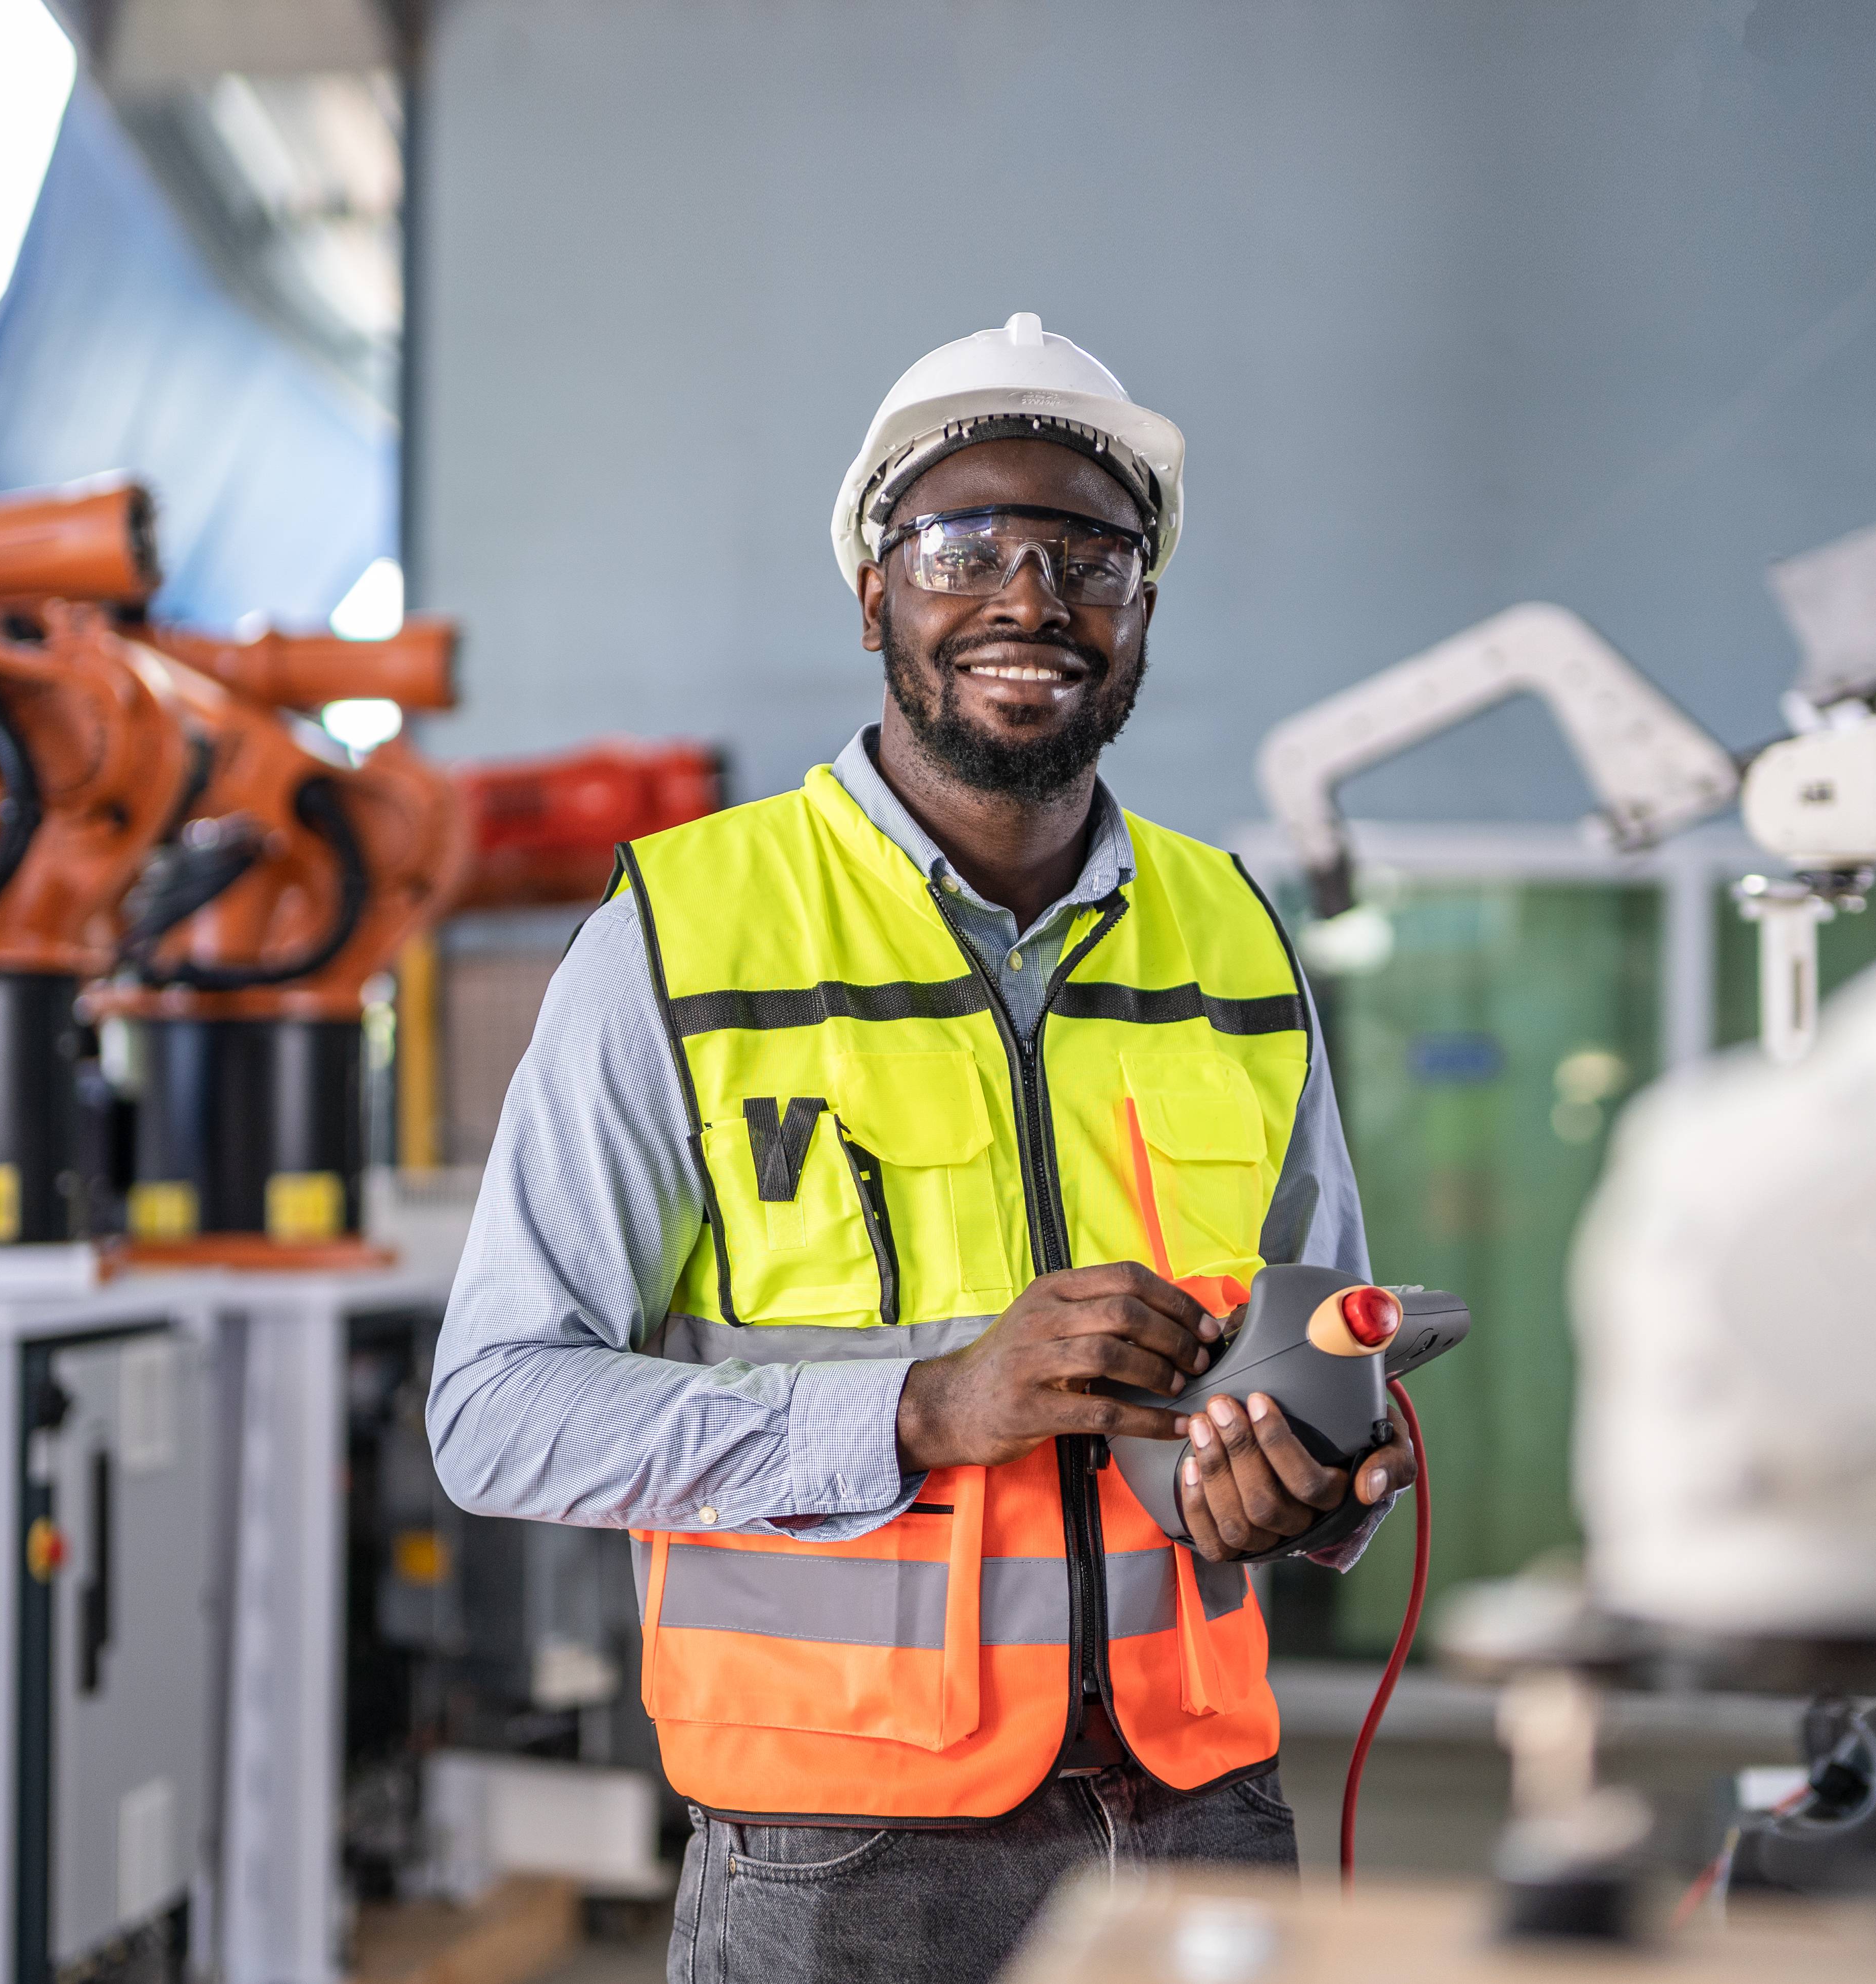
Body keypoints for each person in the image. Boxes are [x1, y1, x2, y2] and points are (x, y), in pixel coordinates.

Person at [428, 312, 1410, 1984]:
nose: (1029, 596)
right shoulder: (686, 929)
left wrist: (1313, 1490)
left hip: (1201, 1813)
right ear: (874, 591)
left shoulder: (1237, 936)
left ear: (1143, 611)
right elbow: (495, 1411)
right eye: (964, 546)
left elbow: (1329, 1351)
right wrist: (924, 1406)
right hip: (837, 1855)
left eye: (1087, 554)